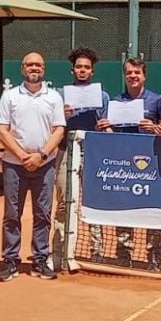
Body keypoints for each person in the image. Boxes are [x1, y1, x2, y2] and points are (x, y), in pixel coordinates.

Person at [0, 52, 66, 282]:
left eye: (38, 65)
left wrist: (41, 155)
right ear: (22, 68)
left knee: (42, 214)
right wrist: (22, 155)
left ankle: (39, 259)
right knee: (12, 214)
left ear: (43, 69)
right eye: (29, 65)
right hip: (14, 165)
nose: (34, 68)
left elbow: (59, 130)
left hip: (45, 165)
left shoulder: (54, 97)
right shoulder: (10, 96)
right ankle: (10, 260)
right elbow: (1, 130)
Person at [95, 58, 161, 269]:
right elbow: (109, 133)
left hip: (152, 165)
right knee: (124, 209)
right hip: (124, 166)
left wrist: (155, 128)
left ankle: (154, 258)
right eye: (129, 72)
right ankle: (124, 255)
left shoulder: (157, 101)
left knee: (152, 210)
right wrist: (104, 127)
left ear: (144, 76)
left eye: (137, 72)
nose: (133, 76)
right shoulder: (115, 102)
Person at [52, 47, 110, 270]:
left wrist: (105, 125)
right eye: (79, 67)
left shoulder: (102, 96)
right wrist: (61, 115)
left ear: (92, 71)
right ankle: (60, 252)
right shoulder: (60, 95)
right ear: (72, 70)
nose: (82, 70)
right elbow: (52, 127)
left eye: (86, 67)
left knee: (94, 204)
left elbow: (106, 127)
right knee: (64, 204)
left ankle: (97, 253)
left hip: (93, 153)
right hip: (65, 152)